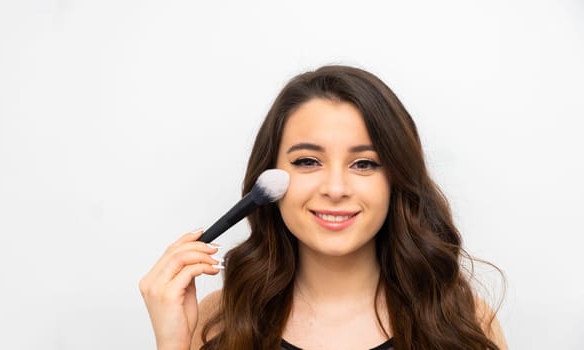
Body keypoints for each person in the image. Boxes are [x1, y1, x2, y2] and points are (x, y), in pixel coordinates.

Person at [139, 65, 507, 350]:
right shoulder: (221, 320)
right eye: (307, 162)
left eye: (364, 164)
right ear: (269, 175)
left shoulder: (460, 319)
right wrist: (173, 344)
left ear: (396, 179)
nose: (335, 189)